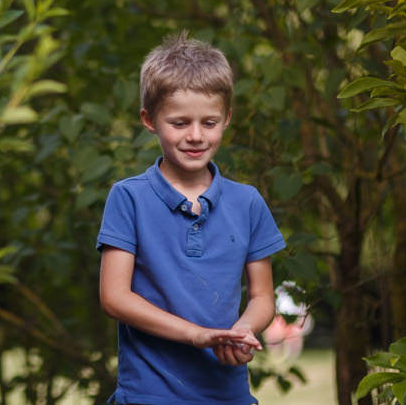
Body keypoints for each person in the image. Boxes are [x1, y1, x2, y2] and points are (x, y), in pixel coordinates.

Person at [96, 32, 286, 404]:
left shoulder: (247, 202)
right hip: (148, 396)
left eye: (209, 123)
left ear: (227, 118)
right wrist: (196, 334)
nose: (196, 136)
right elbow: (114, 297)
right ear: (149, 120)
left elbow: (262, 295)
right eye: (179, 123)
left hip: (228, 394)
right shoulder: (128, 197)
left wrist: (242, 331)